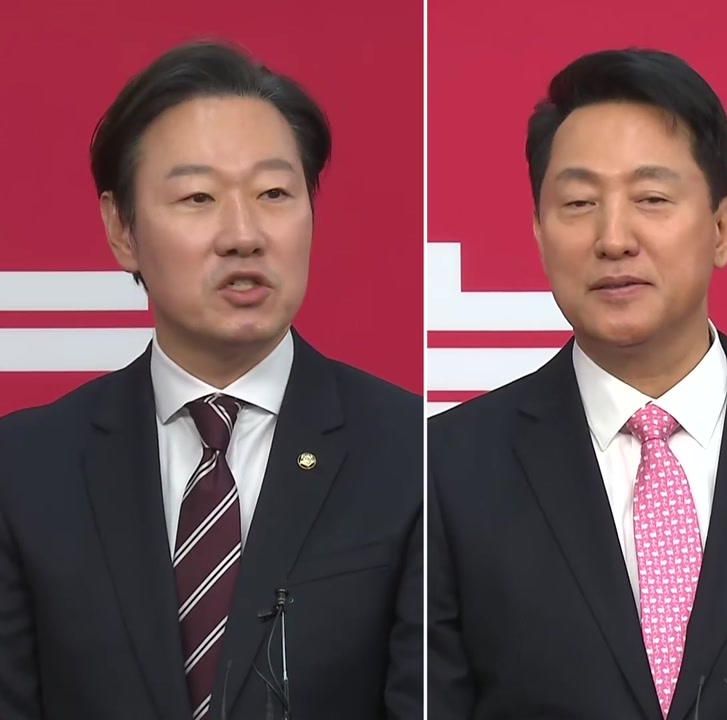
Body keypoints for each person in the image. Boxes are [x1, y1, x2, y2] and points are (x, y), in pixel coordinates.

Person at [428, 48, 727, 719]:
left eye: (651, 199)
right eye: (578, 203)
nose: (613, 238)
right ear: (539, 232)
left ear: (723, 229)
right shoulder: (446, 470)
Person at [0, 41, 422, 719]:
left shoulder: (416, 456)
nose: (243, 234)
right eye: (198, 197)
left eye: (274, 194)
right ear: (122, 229)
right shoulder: (25, 469)